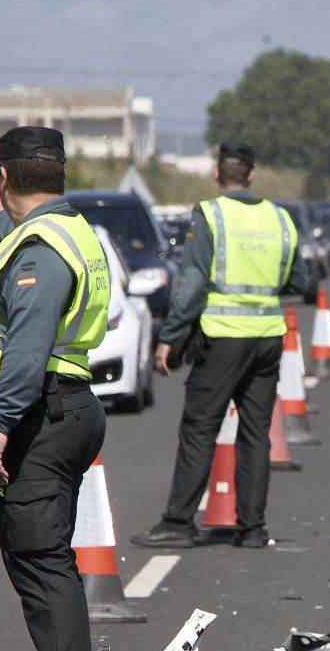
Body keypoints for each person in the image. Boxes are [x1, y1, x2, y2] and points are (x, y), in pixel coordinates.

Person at [0, 126, 110, 651]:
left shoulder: (43, 246)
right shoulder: (62, 230)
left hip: (39, 416)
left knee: (40, 559)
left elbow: (25, 346)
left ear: (3, 175)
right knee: (48, 557)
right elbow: (30, 275)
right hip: (67, 407)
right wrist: (3, 225)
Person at [131, 142, 306, 550]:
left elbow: (191, 285)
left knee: (200, 429)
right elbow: (297, 281)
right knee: (255, 433)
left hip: (223, 337)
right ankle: (253, 529)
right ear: (251, 175)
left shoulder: (210, 215)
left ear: (216, 174)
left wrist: (170, 337)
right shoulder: (280, 218)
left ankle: (178, 523)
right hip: (266, 338)